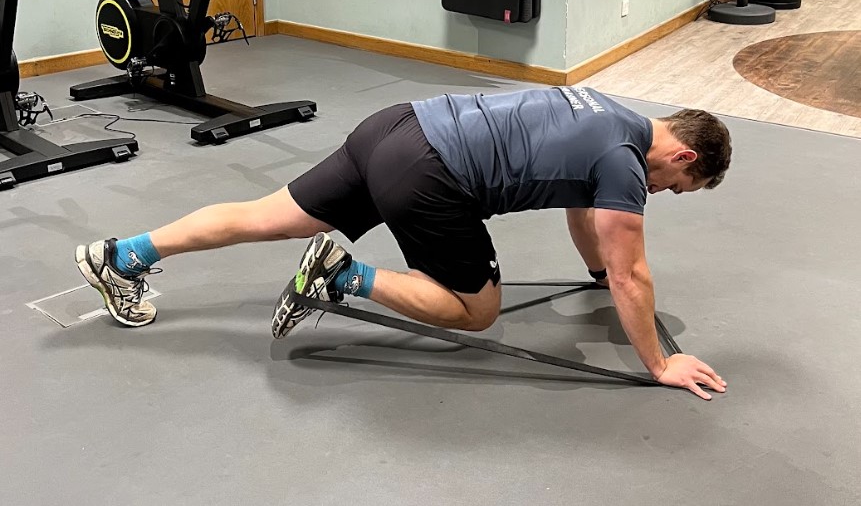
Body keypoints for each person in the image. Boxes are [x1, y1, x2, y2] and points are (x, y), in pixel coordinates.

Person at [75, 85, 731, 400]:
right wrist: (658, 363)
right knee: (478, 309)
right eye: (677, 183)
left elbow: (582, 215)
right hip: (428, 174)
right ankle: (341, 277)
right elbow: (631, 275)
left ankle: (121, 254)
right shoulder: (623, 162)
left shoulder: (607, 109)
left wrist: (590, 269)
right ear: (682, 151)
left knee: (264, 214)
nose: (664, 190)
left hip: (395, 126)